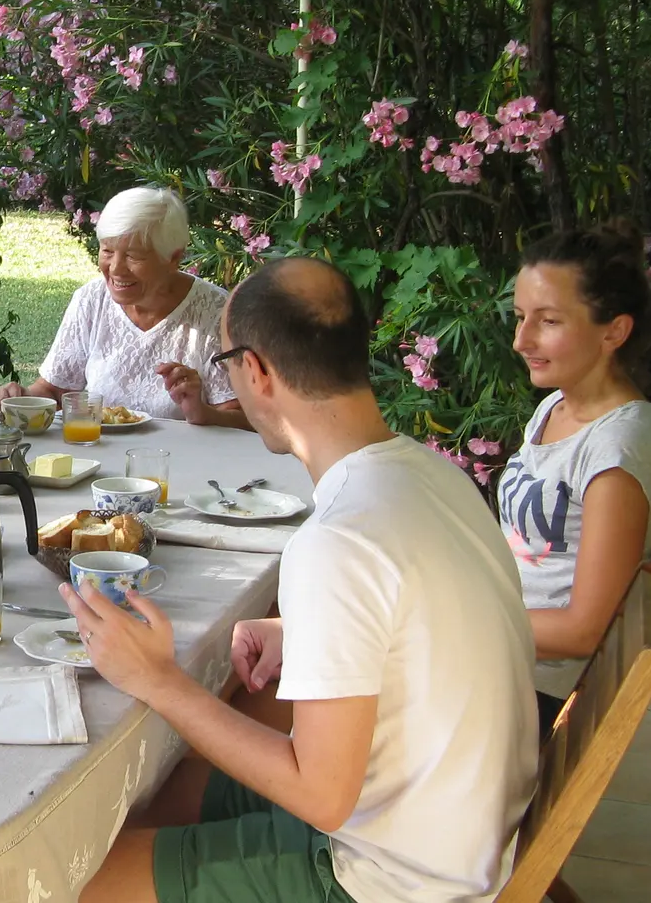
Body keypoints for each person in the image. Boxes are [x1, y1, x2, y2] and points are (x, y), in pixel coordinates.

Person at [63, 257, 537, 903]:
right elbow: (414, 610)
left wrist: (157, 679)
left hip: (391, 876)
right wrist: (304, 628)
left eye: (225, 363)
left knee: (74, 884)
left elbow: (321, 795)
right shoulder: (435, 476)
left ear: (255, 371)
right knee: (167, 788)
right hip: (451, 822)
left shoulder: (337, 541)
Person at [500, 222, 651, 731]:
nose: (520, 340)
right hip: (502, 649)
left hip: (530, 685)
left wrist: (456, 621)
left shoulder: (616, 450)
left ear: (614, 331)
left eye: (548, 321)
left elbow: (583, 630)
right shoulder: (556, 405)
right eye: (519, 318)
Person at [0, 187, 247, 427]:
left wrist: (200, 411)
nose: (116, 269)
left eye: (134, 256)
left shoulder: (215, 311)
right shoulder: (91, 300)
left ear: (173, 258)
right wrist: (19, 398)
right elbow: (54, 391)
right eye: (107, 251)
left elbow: (247, 420)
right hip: (97, 460)